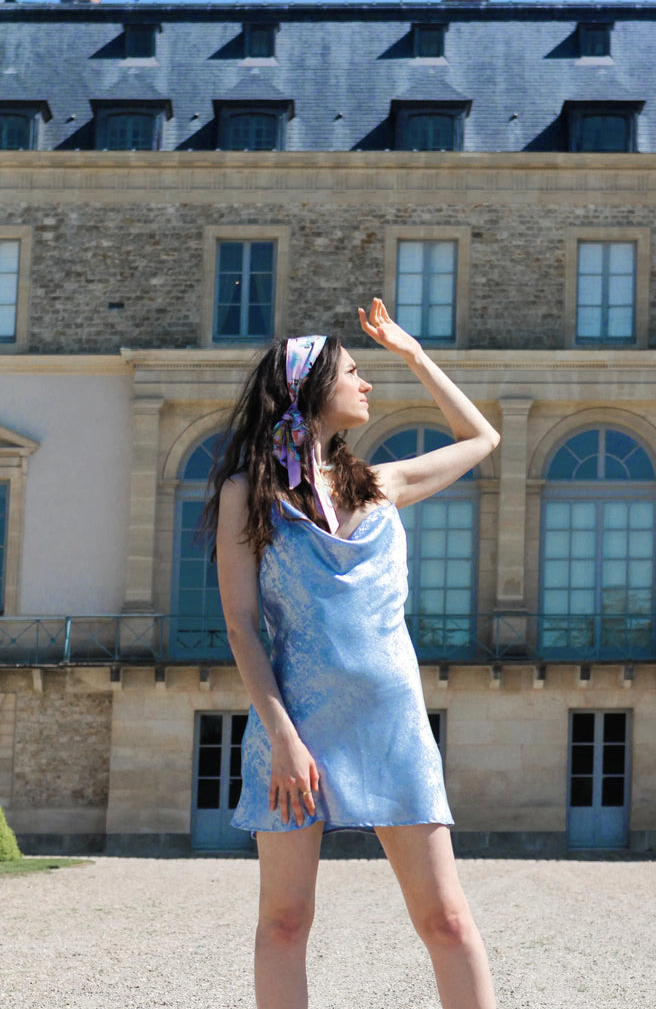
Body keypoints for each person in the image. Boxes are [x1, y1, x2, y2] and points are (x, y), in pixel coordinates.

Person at [204, 298, 500, 1009]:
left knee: (446, 919)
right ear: (311, 391)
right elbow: (242, 626)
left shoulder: (383, 486)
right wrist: (281, 737)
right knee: (283, 922)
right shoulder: (249, 496)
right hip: (294, 727)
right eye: (356, 373)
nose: (368, 385)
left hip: (392, 726)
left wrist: (413, 353)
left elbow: (480, 436)